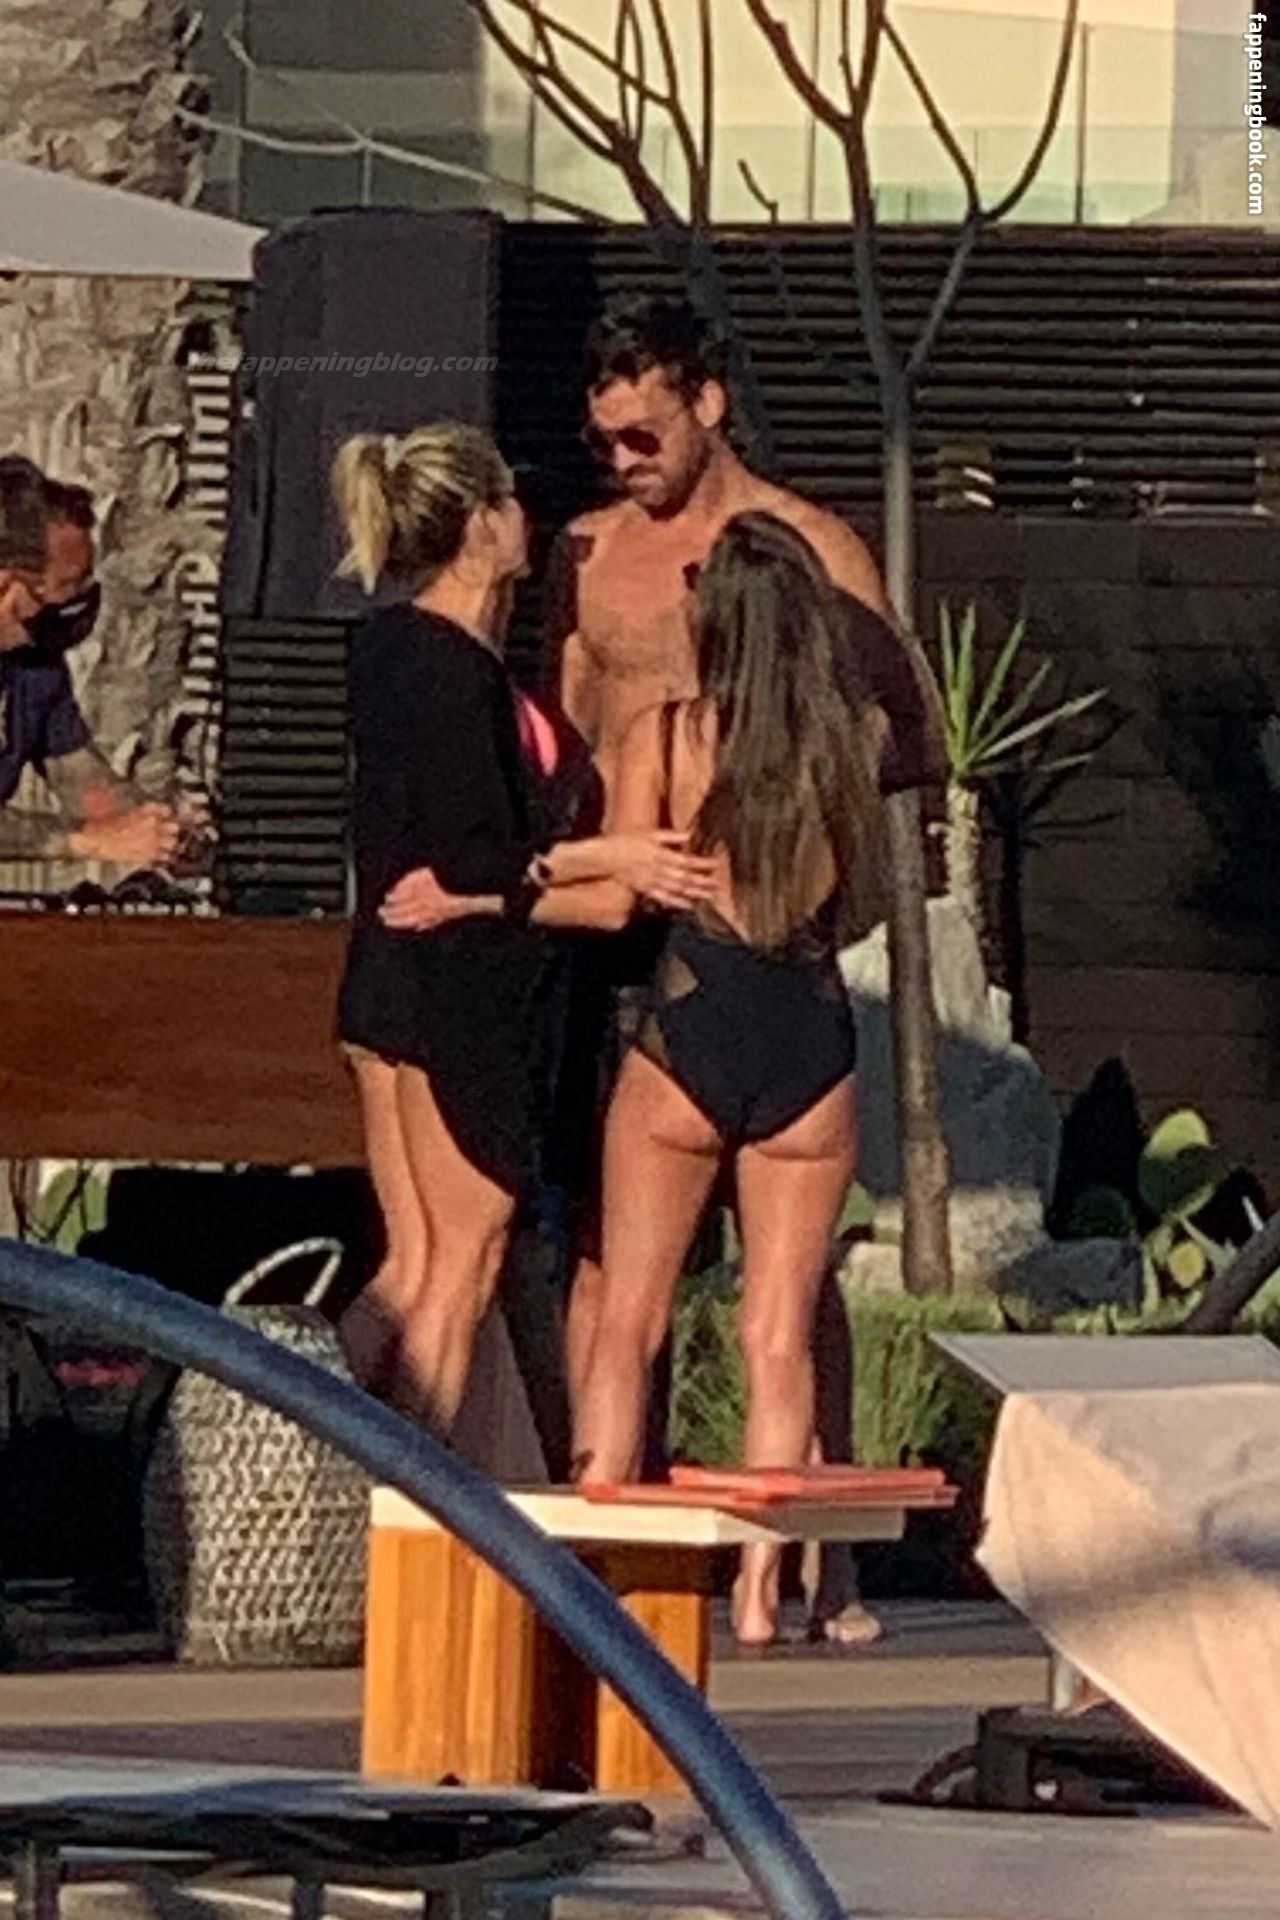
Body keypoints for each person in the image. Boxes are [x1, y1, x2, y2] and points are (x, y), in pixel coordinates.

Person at [382, 510, 888, 1646]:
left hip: (694, 1020)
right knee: (777, 1334)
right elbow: (851, 899)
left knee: (626, 1320)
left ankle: (604, 1574)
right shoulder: (851, 738)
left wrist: (475, 893)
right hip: (808, 1029)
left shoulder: (670, 736)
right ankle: (759, 1593)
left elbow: (612, 899)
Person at [544, 294, 942, 1636]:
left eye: (643, 434)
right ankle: (732, 1575)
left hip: (699, 935)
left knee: (733, 1296)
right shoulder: (590, 554)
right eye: (604, 440)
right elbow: (557, 721)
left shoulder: (809, 546)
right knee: (641, 1279)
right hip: (714, 955)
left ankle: (801, 1564)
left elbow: (909, 729)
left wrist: (526, 876)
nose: (623, 461)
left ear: (706, 403)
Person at [331, 422, 714, 1436]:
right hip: (455, 993)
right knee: (463, 1261)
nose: (528, 524)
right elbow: (470, 858)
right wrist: (612, 855)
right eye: (510, 504)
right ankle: (412, 1499)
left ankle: (290, 1444)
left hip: (385, 979)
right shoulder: (453, 671)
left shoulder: (395, 651)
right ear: (478, 526)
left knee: (412, 1265)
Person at [0, 456, 182, 869]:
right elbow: (91, 835)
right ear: (8, 584)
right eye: (66, 585)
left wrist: (157, 825)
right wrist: (85, 842)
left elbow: (79, 778)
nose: (78, 600)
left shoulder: (36, 668)